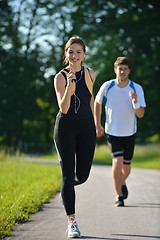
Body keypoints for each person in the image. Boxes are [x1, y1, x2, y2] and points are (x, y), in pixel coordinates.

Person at [53, 36, 96, 238]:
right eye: (71, 51)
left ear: (84, 54)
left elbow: (91, 99)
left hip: (87, 128)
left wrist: (97, 122)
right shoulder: (60, 77)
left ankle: (66, 185)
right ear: (66, 54)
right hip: (65, 128)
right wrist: (70, 88)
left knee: (83, 175)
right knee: (68, 174)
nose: (74, 55)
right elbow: (64, 108)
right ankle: (72, 222)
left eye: (78, 52)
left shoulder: (90, 74)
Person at [94, 56, 146, 207]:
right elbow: (97, 103)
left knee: (126, 168)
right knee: (117, 162)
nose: (122, 71)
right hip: (112, 132)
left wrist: (135, 102)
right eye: (119, 68)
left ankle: (121, 182)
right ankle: (119, 196)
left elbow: (141, 114)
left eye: (125, 68)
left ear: (129, 71)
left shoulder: (136, 88)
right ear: (115, 70)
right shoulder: (108, 86)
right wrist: (97, 124)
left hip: (129, 133)